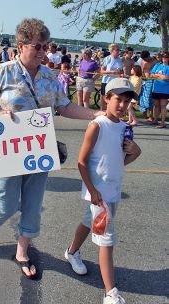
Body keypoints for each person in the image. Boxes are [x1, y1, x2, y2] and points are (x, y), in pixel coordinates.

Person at [0, 18, 101, 279]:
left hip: (39, 150)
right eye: (38, 46)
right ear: (21, 46)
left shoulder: (50, 77)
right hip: (8, 148)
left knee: (33, 204)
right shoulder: (3, 72)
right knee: (6, 204)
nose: (43, 51)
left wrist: (96, 115)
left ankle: (22, 251)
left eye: (46, 46)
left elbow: (64, 107)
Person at [65, 78, 141, 304]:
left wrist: (136, 152)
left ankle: (71, 252)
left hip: (113, 190)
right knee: (106, 239)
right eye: (118, 99)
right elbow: (81, 161)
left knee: (88, 222)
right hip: (100, 195)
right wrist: (92, 190)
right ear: (106, 98)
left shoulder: (123, 128)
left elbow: (118, 161)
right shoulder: (97, 125)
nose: (121, 105)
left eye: (126, 101)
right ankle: (110, 292)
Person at [100, 44, 123, 110]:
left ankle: (110, 111)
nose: (119, 51)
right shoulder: (107, 59)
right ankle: (102, 111)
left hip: (115, 82)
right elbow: (102, 71)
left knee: (113, 97)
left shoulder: (119, 60)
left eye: (119, 50)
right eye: (117, 50)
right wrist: (111, 72)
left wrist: (120, 73)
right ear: (112, 50)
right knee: (104, 97)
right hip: (106, 80)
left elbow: (121, 71)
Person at [149, 51, 169, 128]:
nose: (164, 58)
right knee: (156, 105)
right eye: (163, 57)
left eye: (166, 57)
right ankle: (155, 119)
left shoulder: (168, 67)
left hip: (165, 89)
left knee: (163, 106)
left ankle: (163, 122)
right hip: (156, 88)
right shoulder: (157, 65)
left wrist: (158, 76)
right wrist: (160, 76)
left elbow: (166, 78)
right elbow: (151, 74)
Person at [138, 50, 157, 121]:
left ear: (149, 56)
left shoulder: (155, 61)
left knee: (151, 99)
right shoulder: (143, 62)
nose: (145, 60)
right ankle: (144, 113)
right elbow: (142, 72)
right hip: (145, 81)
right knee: (143, 98)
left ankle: (151, 115)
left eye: (146, 58)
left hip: (153, 81)